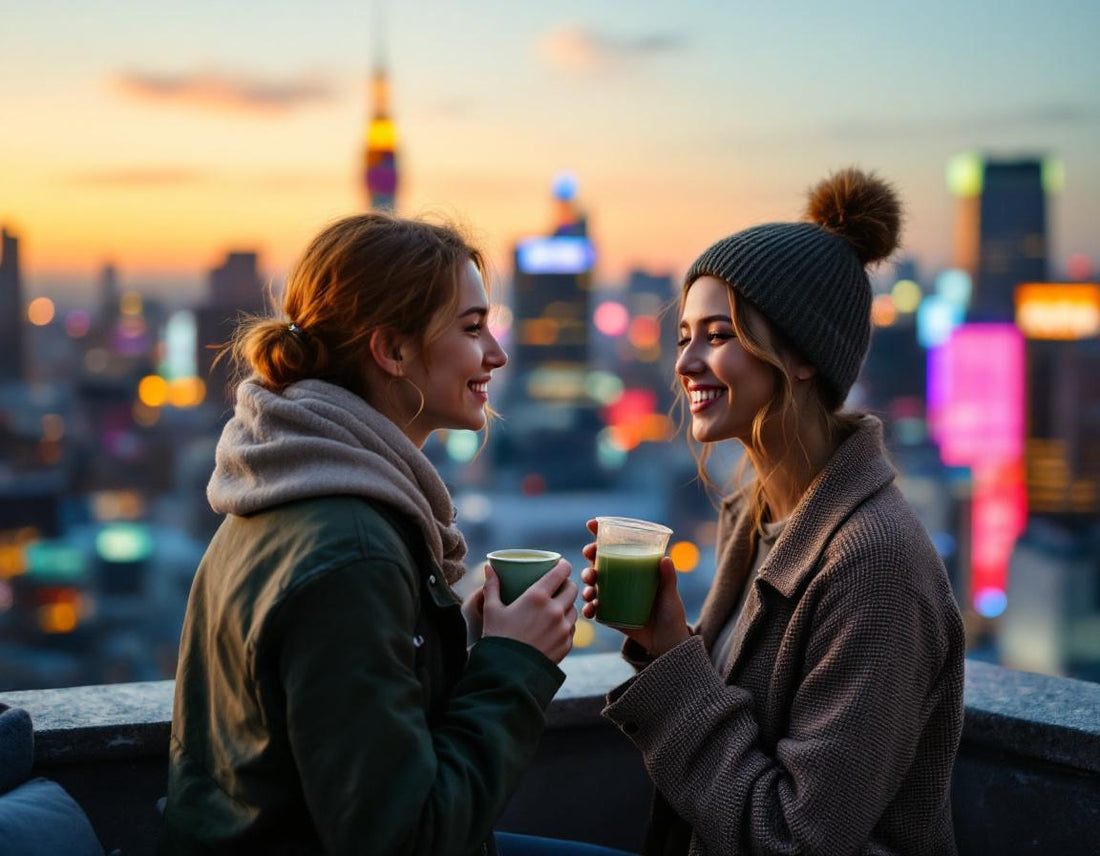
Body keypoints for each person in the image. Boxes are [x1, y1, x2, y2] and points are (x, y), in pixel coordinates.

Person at [160, 212, 600, 855]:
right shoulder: (352, 554)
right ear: (392, 350)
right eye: (472, 328)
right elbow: (404, 839)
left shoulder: (278, 488)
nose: (497, 355)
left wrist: (462, 639)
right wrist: (516, 663)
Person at [580, 169, 966, 855]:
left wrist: (674, 657)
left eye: (718, 335)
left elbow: (798, 840)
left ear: (801, 356)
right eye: (684, 337)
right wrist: (662, 634)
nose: (685, 363)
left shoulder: (874, 567)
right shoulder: (754, 508)